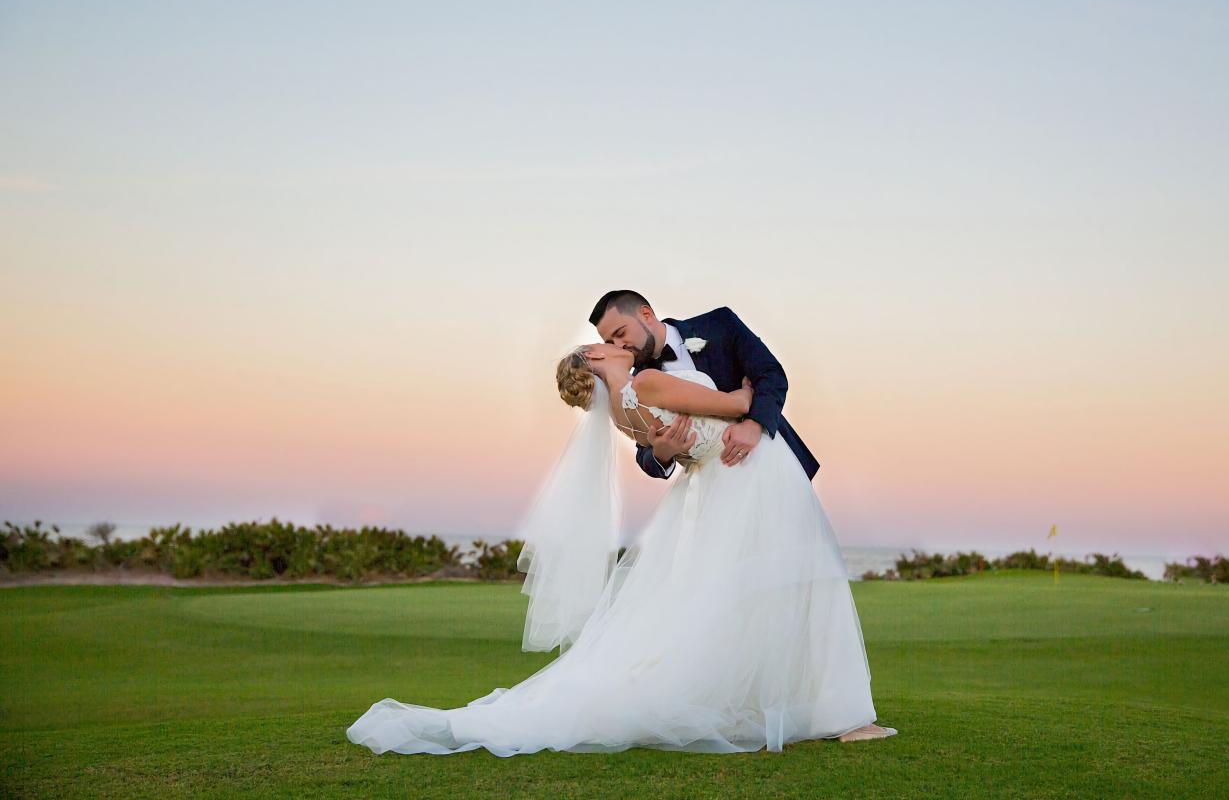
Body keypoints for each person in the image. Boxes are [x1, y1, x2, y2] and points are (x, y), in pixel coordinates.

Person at [344, 293, 894, 756]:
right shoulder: (641, 386)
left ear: (648, 313)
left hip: (762, 466)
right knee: (762, 593)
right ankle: (817, 711)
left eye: (622, 331)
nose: (622, 344)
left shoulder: (715, 328)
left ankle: (810, 706)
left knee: (795, 588)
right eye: (610, 341)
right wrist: (671, 444)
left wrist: (753, 422)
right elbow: (657, 452)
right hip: (728, 488)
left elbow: (770, 377)